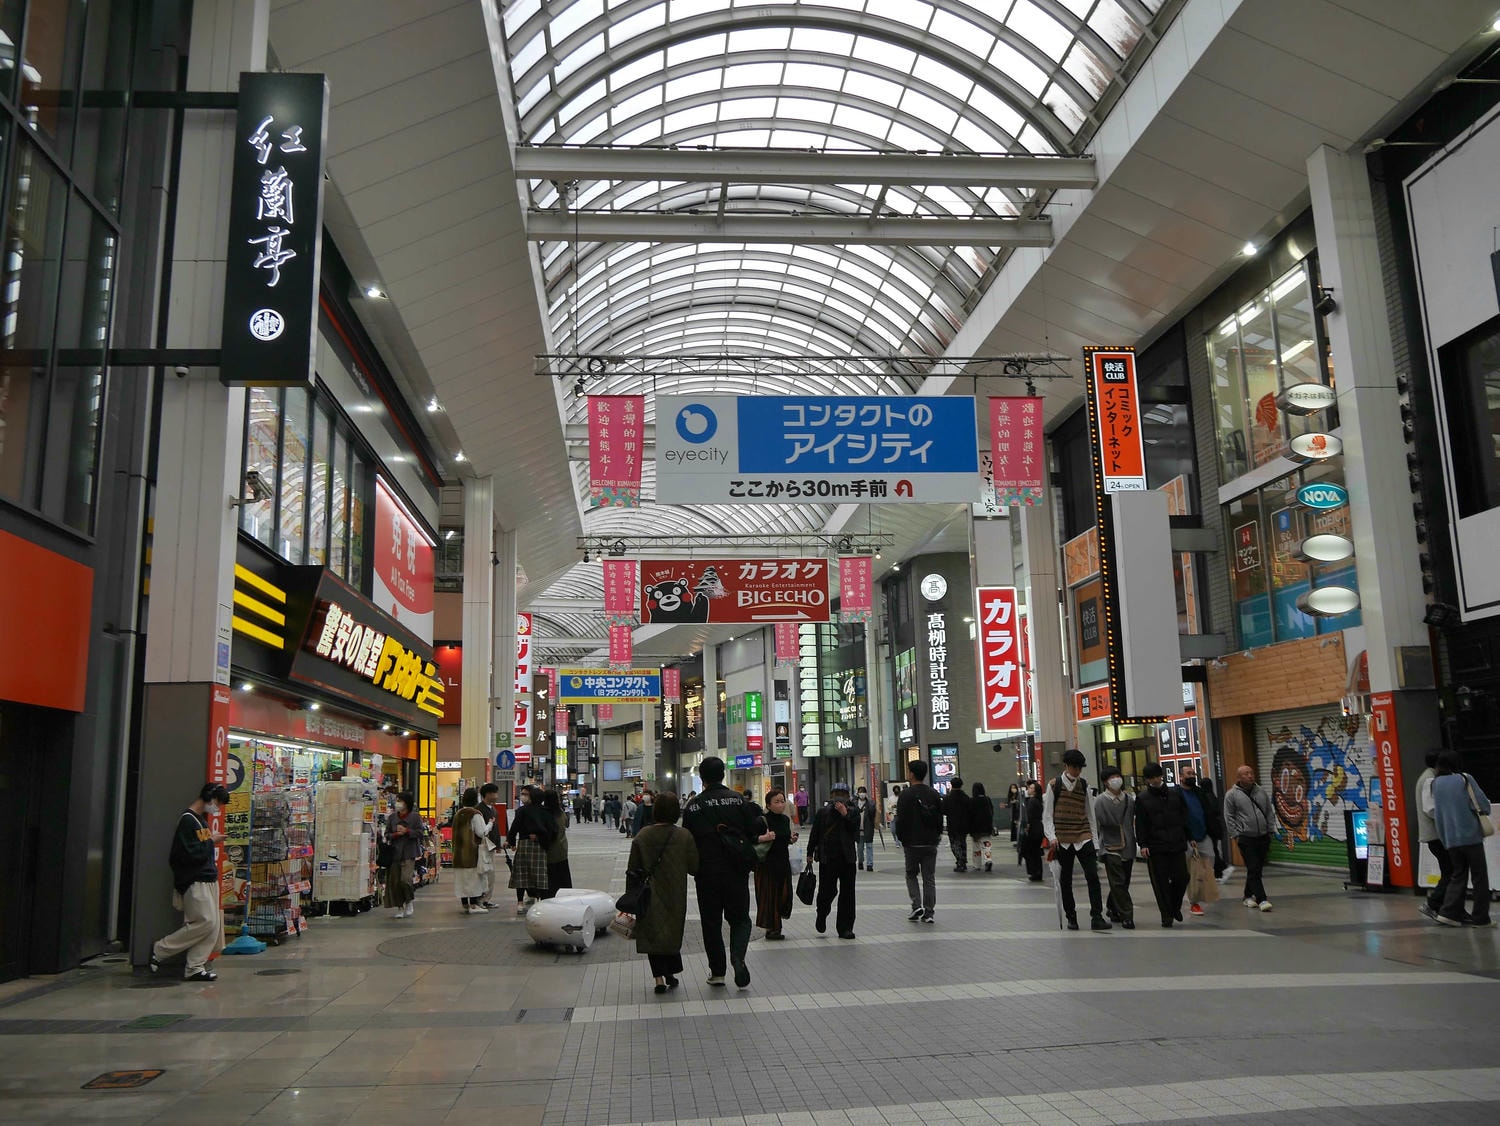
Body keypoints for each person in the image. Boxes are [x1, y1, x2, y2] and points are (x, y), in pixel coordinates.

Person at [683, 756, 766, 988]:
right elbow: (752, 833)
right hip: (736, 871)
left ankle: (717, 972)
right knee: (740, 919)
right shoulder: (738, 801)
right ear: (723, 774)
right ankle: (738, 956)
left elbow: (687, 841)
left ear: (702, 777)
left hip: (706, 873)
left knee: (711, 923)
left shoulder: (694, 806)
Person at [149, 783, 230, 981]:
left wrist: (210, 841)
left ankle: (195, 967)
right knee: (205, 921)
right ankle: (161, 949)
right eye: (217, 804)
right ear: (210, 799)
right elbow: (187, 853)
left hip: (208, 878)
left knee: (213, 925)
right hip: (196, 880)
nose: (217, 809)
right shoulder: (188, 821)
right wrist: (211, 841)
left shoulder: (200, 821)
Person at [628, 793, 699, 993]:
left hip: (649, 894)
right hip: (675, 893)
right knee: (671, 931)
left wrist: (630, 898)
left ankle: (659, 978)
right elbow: (694, 866)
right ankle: (670, 973)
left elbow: (632, 870)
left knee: (652, 933)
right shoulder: (684, 835)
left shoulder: (642, 835)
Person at [1042, 749, 1111, 932]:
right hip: (1062, 839)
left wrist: (1095, 842)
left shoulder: (1084, 785)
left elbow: (1090, 815)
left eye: (1079, 768)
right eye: (1074, 767)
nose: (1077, 771)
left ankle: (1097, 916)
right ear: (1066, 766)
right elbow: (1047, 815)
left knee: (1093, 877)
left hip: (1083, 836)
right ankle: (1071, 917)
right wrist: (1052, 837)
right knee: (1065, 880)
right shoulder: (1054, 785)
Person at [1425, 751, 1493, 927]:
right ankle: (1480, 918)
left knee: (1458, 875)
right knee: (1479, 877)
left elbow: (1438, 814)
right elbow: (1481, 803)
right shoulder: (1464, 779)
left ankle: (1448, 912)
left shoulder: (1435, 784)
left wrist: (1445, 838)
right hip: (1470, 837)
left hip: (1451, 839)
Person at [1135, 763, 1190, 927]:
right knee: (1160, 882)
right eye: (1150, 778)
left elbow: (1184, 816)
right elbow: (1141, 823)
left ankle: (1175, 906)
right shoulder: (1142, 798)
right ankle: (1166, 915)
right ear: (1147, 780)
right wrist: (1143, 843)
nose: (1154, 780)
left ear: (1162, 775)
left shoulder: (1175, 794)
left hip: (1177, 842)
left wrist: (1189, 836)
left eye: (1156, 776)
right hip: (1155, 845)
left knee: (1182, 877)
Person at [808, 781, 860, 939]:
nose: (839, 797)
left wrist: (845, 814)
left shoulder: (854, 811)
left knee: (848, 894)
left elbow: (855, 832)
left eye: (842, 794)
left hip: (848, 859)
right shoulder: (823, 812)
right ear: (831, 796)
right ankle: (822, 913)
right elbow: (815, 833)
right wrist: (810, 853)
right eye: (836, 794)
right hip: (828, 858)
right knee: (827, 891)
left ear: (848, 796)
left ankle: (845, 928)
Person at [893, 760, 943, 923]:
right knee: (929, 877)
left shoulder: (905, 795)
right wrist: (937, 836)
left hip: (912, 843)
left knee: (911, 874)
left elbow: (900, 820)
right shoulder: (933, 793)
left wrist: (901, 838)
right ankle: (929, 912)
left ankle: (916, 906)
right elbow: (938, 818)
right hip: (930, 842)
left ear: (912, 774)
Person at [1222, 764, 1275, 912]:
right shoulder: (1231, 795)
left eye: (1251, 773)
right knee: (1253, 867)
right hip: (1245, 837)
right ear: (1239, 777)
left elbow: (1269, 812)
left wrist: (1270, 830)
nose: (1250, 775)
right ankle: (1262, 899)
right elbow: (1229, 817)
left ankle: (1246, 896)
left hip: (1263, 836)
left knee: (1256, 869)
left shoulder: (1261, 791)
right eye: (1246, 774)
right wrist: (1236, 835)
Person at [1177, 762, 1223, 917]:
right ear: (1181, 776)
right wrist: (1187, 836)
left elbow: (1208, 813)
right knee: (1192, 870)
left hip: (1204, 835)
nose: (1191, 776)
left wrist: (1214, 832)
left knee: (1209, 864)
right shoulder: (1176, 794)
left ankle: (1206, 893)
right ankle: (1194, 901)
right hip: (1187, 838)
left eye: (1193, 773)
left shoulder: (1199, 793)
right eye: (1188, 774)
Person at [1093, 766, 1135, 929]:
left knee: (1124, 882)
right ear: (1105, 782)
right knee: (1117, 881)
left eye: (1118, 776)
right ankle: (1127, 915)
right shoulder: (1100, 801)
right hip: (1110, 845)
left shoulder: (1129, 800)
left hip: (1128, 844)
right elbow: (1097, 824)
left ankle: (1112, 906)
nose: (1116, 780)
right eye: (1112, 777)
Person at [754, 788, 798, 939]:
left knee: (784, 894)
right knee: (769, 896)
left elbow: (784, 838)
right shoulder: (762, 820)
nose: (781, 804)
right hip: (767, 864)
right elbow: (751, 839)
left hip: (782, 862)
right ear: (768, 805)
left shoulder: (785, 820)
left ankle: (776, 925)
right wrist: (764, 838)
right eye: (776, 802)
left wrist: (791, 839)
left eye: (782, 801)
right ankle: (772, 929)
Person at [1414, 750, 1451, 921]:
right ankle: (1434, 904)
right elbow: (1431, 810)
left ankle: (1442, 906)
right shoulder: (1429, 780)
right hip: (1436, 835)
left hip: (1433, 835)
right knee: (1451, 871)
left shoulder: (1426, 776)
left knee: (1449, 871)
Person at [506, 785, 554, 913]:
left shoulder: (522, 811)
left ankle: (520, 903)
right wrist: (540, 838)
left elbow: (514, 827)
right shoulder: (546, 812)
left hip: (524, 844)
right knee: (540, 875)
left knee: (521, 875)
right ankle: (540, 901)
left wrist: (511, 841)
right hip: (540, 847)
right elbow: (552, 831)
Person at [449, 788, 493, 914]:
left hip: (458, 853)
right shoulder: (475, 814)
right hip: (471, 852)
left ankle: (465, 904)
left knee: (462, 879)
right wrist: (490, 824)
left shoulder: (458, 814)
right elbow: (482, 832)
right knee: (473, 879)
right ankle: (473, 905)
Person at [384, 790, 424, 919]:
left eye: (400, 801)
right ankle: (400, 906)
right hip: (395, 853)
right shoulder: (392, 818)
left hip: (409, 852)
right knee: (395, 881)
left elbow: (420, 833)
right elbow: (386, 834)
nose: (398, 803)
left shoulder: (415, 817)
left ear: (407, 803)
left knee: (405, 880)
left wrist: (407, 831)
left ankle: (409, 901)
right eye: (397, 801)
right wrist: (395, 834)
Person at [542, 788, 572, 898]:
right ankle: (565, 895)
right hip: (562, 848)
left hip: (549, 850)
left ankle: (550, 896)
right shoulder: (561, 813)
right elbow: (566, 824)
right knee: (562, 876)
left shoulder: (544, 813)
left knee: (550, 877)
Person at [478, 782, 504, 910]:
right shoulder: (479, 809)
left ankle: (486, 899)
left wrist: (498, 844)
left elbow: (496, 828)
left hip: (491, 846)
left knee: (490, 874)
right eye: (494, 793)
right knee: (485, 874)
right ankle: (481, 899)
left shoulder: (492, 809)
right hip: (483, 847)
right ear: (487, 794)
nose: (496, 796)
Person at [1018, 780, 1045, 881]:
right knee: (1036, 851)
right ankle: (1037, 872)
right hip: (1038, 828)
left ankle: (1034, 872)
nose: (1028, 789)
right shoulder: (1037, 800)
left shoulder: (1032, 801)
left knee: (1028, 851)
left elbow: (1028, 816)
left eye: (1031, 788)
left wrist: (1026, 827)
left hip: (1033, 829)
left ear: (1035, 791)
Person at [942, 777, 970, 872]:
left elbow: (943, 810)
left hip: (952, 824)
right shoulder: (965, 797)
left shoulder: (947, 797)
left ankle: (960, 861)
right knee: (962, 843)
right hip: (964, 824)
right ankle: (963, 860)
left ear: (951, 785)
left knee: (954, 844)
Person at [968, 782, 995, 872]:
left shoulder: (972, 800)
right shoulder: (987, 799)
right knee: (987, 845)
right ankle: (988, 860)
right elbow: (991, 811)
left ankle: (977, 865)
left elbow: (970, 814)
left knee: (976, 847)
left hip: (975, 828)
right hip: (986, 827)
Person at [854, 786, 878, 872]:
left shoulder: (870, 803)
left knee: (869, 847)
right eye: (860, 792)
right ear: (858, 793)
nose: (862, 793)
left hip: (868, 829)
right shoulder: (854, 803)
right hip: (858, 829)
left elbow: (873, 814)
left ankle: (869, 864)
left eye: (863, 792)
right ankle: (860, 861)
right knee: (860, 849)